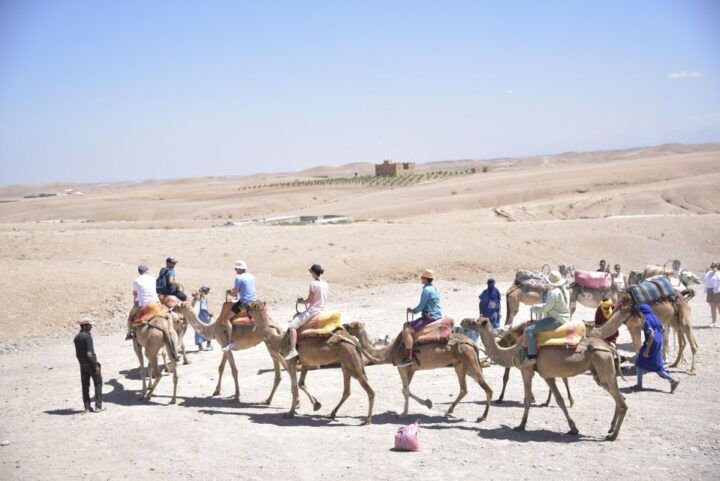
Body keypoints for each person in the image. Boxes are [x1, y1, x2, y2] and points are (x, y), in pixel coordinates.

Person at [522, 270, 570, 367]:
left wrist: (534, 309)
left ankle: (532, 357)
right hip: (564, 317)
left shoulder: (552, 292)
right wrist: (538, 306)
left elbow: (547, 308)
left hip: (556, 319)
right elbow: (551, 305)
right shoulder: (561, 290)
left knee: (529, 330)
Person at [633, 304, 680, 393]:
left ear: (642, 312)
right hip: (658, 342)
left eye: (639, 312)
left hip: (651, 343)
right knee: (641, 362)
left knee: (655, 367)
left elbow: (651, 335)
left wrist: (647, 349)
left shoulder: (647, 321)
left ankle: (672, 381)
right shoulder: (655, 317)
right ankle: (639, 385)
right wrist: (658, 339)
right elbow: (663, 330)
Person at [285, 264, 328, 360]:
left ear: (313, 272)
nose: (311, 274)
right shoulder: (325, 283)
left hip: (313, 310)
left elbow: (309, 300)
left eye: (311, 272)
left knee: (292, 326)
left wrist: (301, 301)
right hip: (322, 309)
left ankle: (292, 350)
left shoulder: (313, 284)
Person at [400, 269, 442, 367]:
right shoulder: (434, 288)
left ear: (426, 279)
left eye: (422, 277)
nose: (421, 279)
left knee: (407, 331)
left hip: (429, 317)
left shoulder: (426, 290)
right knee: (406, 324)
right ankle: (407, 346)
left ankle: (409, 357)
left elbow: (421, 306)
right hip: (437, 314)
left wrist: (412, 311)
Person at [221, 260, 257, 352]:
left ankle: (230, 341)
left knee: (226, 319)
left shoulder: (239, 278)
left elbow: (234, 294)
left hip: (244, 302)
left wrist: (229, 292)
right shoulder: (251, 276)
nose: (235, 270)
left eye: (236, 268)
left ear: (239, 269)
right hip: (254, 300)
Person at [74, 317, 104, 413]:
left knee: (85, 386)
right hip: (91, 364)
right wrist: (95, 364)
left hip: (82, 365)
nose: (91, 327)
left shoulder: (77, 337)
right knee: (98, 384)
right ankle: (98, 406)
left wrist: (82, 363)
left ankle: (87, 407)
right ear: (85, 326)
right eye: (90, 325)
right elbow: (89, 352)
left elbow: (78, 354)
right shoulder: (87, 337)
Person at [126, 264, 160, 340]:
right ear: (147, 271)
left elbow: (135, 293)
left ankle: (129, 333)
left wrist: (135, 299)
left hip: (143, 303)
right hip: (155, 302)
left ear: (139, 271)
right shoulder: (152, 278)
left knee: (130, 317)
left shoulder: (136, 281)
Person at [195, 285, 214, 351]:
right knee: (209, 329)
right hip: (203, 316)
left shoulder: (198, 296)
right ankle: (208, 345)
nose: (208, 291)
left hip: (199, 316)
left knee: (199, 330)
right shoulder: (203, 296)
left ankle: (200, 346)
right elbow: (203, 308)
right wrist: (209, 313)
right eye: (207, 290)